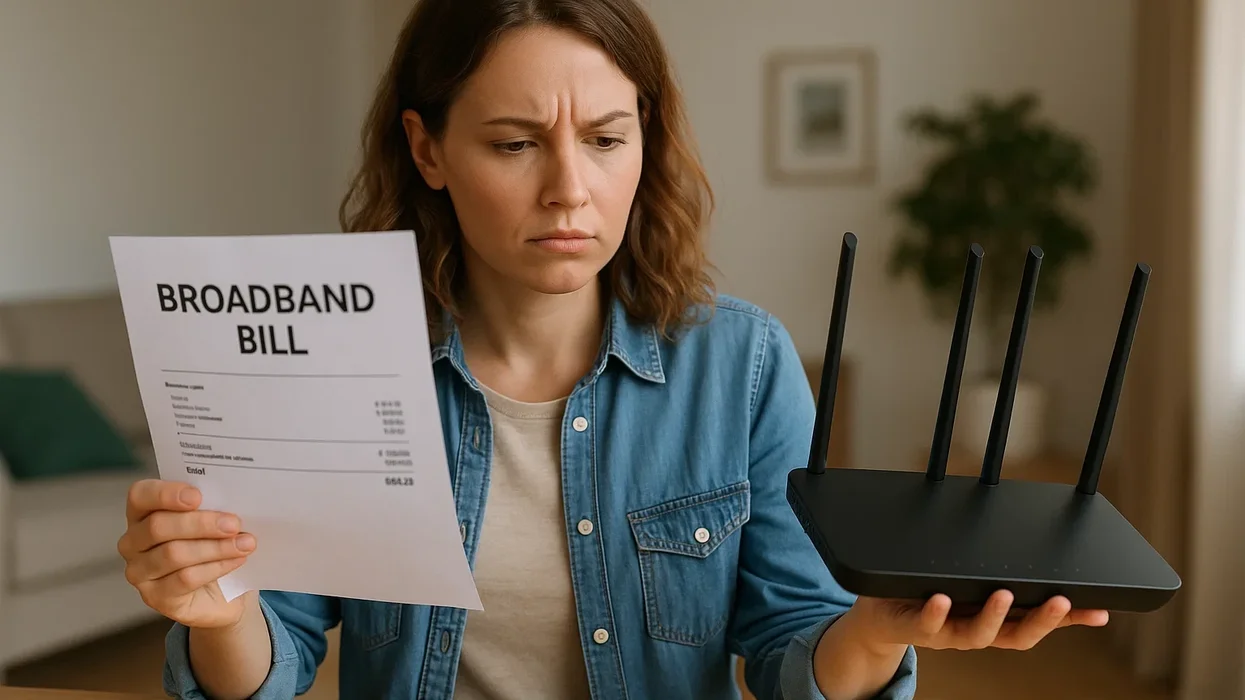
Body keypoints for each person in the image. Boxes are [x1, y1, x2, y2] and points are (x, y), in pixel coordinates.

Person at [116, 1, 1110, 698]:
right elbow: (270, 659)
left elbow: (789, 653)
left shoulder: (746, 368)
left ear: (648, 137)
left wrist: (874, 634)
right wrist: (217, 611)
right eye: (513, 143)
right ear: (427, 151)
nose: (569, 190)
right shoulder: (337, 366)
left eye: (604, 138)